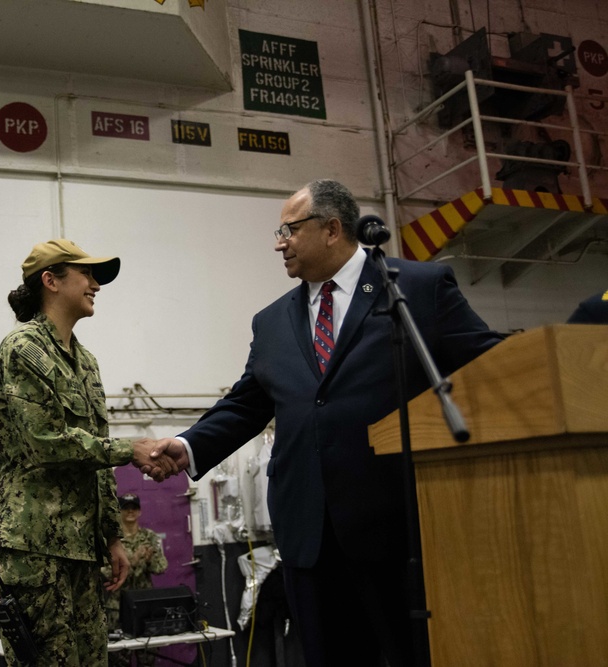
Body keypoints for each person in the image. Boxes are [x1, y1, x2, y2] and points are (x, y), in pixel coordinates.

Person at [148, 180, 504, 667]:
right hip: (308, 534)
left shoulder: (415, 289)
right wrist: (187, 446)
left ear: (333, 228)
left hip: (398, 527)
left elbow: (488, 366)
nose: (279, 243)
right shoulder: (271, 322)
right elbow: (249, 403)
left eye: (289, 230)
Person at [0, 239, 177, 666]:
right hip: (34, 548)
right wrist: (131, 448)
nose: (96, 285)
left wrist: (111, 536)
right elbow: (46, 443)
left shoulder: (85, 362)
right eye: (86, 274)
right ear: (50, 281)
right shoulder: (23, 350)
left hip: (81, 550)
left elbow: (95, 461)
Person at [106, 493, 167, 667]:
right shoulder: (111, 541)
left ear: (139, 511)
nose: (130, 512)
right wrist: (133, 559)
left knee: (147, 659)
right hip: (117, 609)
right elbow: (105, 572)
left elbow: (161, 567)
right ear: (118, 511)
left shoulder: (150, 537)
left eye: (134, 508)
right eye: (125, 508)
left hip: (144, 606)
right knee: (118, 661)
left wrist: (149, 559)